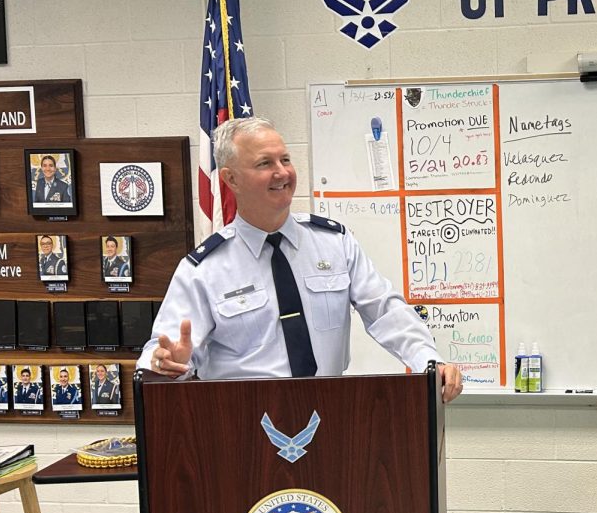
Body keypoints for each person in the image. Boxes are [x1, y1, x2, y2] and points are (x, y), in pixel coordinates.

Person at [140, 116, 463, 402]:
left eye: (285, 159)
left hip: (330, 411)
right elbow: (162, 352)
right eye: (264, 163)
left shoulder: (334, 242)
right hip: (242, 424)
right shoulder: (205, 268)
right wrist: (168, 364)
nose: (282, 172)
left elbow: (384, 309)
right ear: (230, 179)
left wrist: (428, 361)